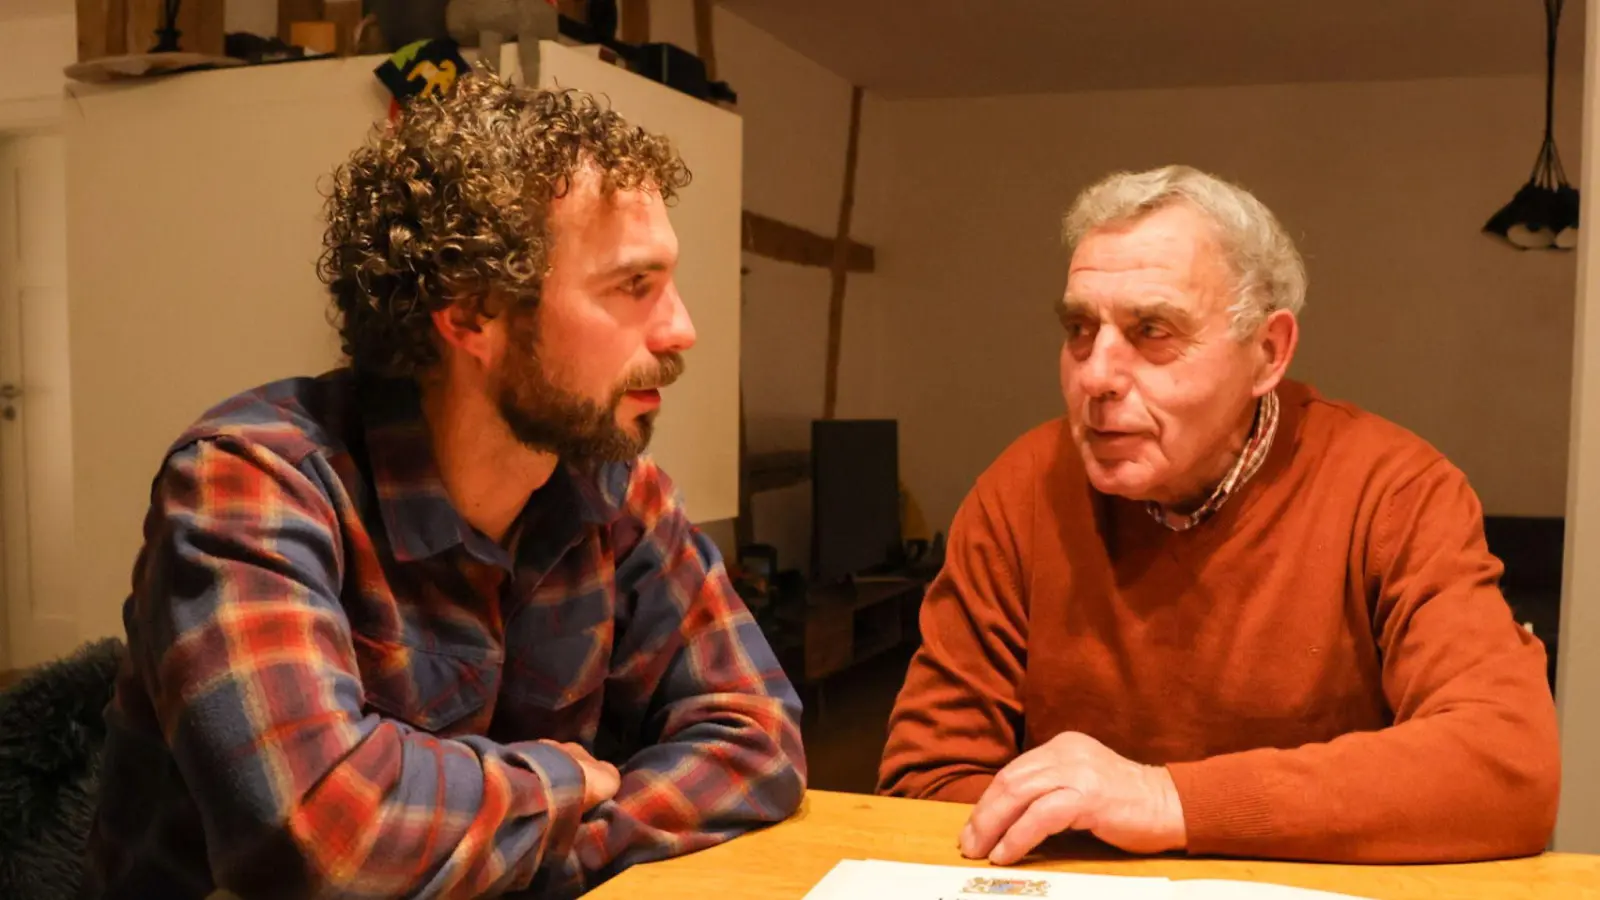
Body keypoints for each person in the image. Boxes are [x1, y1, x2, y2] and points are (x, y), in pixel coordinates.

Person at [84, 73, 806, 899]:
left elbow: (757, 736)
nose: (682, 329)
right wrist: (562, 783)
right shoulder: (248, 486)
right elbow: (328, 838)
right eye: (631, 287)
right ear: (470, 316)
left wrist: (530, 850)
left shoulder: (615, 490)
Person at [878, 165, 1560, 866]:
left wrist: (1165, 801)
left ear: (1267, 353)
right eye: (1080, 328)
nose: (1096, 374)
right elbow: (924, 784)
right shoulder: (1020, 490)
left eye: (1152, 331)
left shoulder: (1394, 492)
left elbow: (1506, 764)